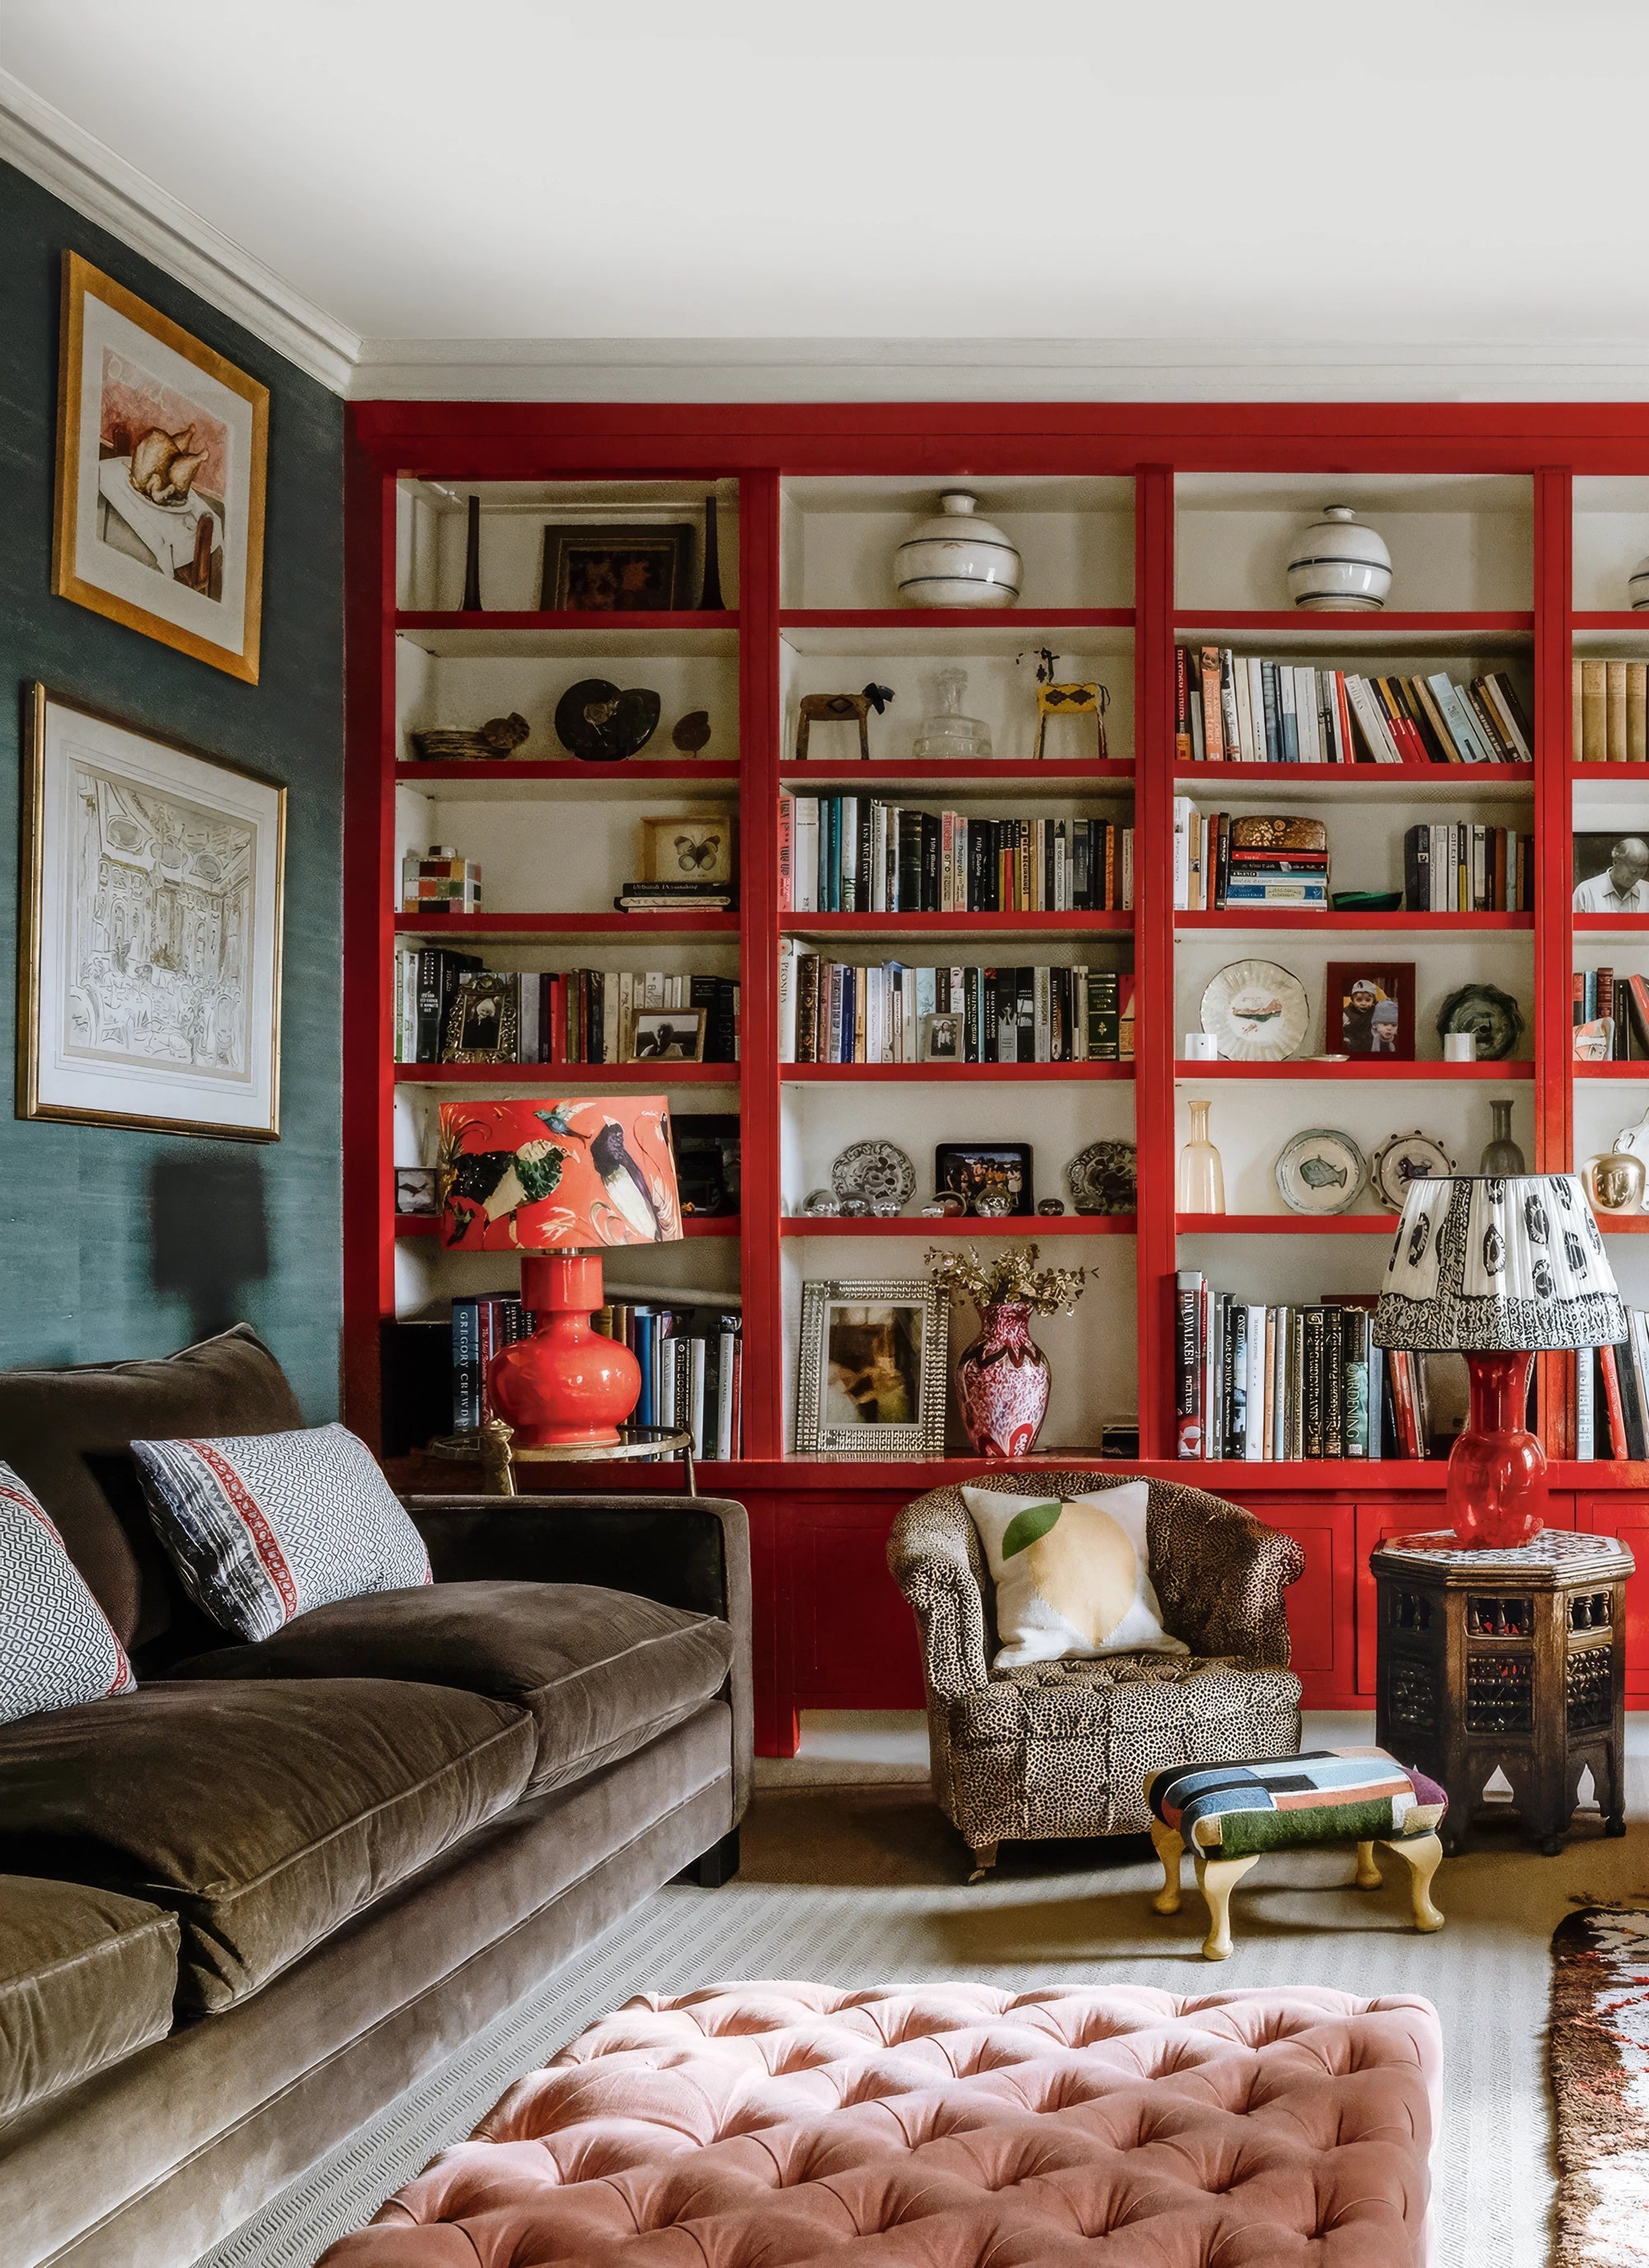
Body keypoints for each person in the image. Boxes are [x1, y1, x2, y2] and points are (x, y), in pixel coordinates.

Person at [1574, 837, 1649, 914]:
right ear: (1616, 862)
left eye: (1641, 874)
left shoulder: (1647, 891)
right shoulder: (1586, 892)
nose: (1635, 878)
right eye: (1633, 872)